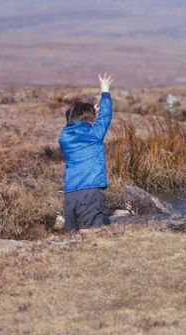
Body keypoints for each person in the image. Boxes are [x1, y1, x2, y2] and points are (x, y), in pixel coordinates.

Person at [58, 73, 115, 231]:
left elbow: (73, 124)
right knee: (91, 239)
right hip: (90, 193)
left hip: (70, 195)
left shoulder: (64, 137)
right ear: (90, 120)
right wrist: (105, 91)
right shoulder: (93, 135)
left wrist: (90, 117)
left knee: (73, 242)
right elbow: (106, 115)